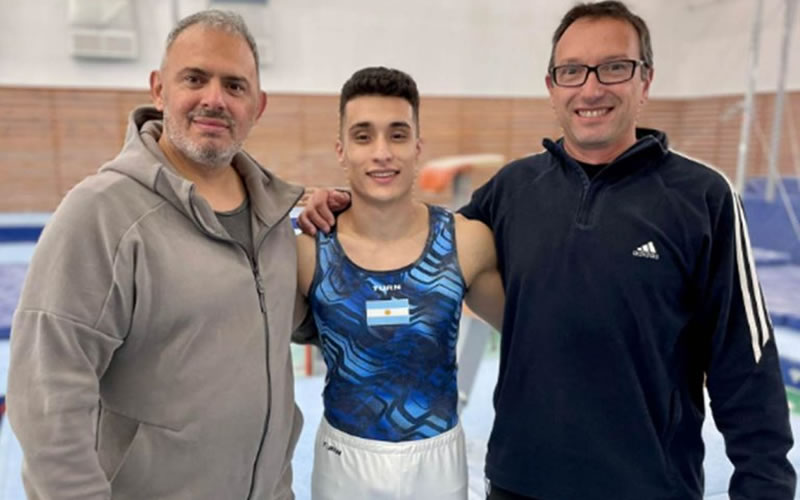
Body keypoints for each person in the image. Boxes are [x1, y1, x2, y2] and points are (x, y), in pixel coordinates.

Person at [297, 2, 796, 499]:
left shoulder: (702, 198)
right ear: (552, 86)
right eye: (572, 71)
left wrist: (765, 487)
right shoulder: (513, 190)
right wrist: (346, 204)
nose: (591, 88)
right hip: (519, 484)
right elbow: (411, 237)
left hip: (646, 486)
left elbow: (745, 361)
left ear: (645, 80)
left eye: (614, 67)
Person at [7, 10, 304, 500]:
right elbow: (46, 395)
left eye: (234, 86)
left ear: (258, 105)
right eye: (195, 79)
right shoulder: (101, 212)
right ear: (159, 90)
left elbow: (316, 323)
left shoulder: (274, 220)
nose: (214, 99)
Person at [295, 67, 503, 500]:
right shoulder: (308, 249)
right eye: (363, 136)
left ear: (417, 147)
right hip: (344, 459)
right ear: (341, 151)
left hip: (436, 459)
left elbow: (531, 333)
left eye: (397, 135)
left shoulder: (466, 242)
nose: (382, 153)